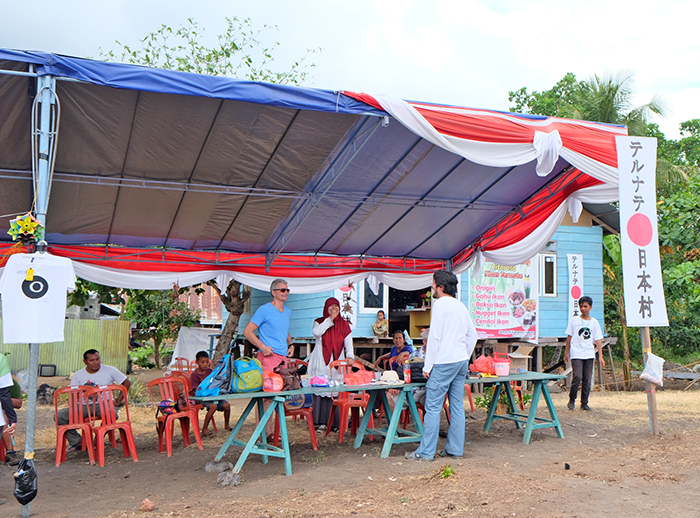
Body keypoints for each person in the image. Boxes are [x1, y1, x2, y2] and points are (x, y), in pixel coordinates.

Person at [405, 270, 477, 462]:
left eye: (434, 284)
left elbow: (434, 337)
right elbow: (473, 335)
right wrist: (465, 355)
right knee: (456, 406)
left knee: (433, 407)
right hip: (461, 360)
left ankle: (426, 452)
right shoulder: (460, 306)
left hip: (445, 361)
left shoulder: (440, 305)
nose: (432, 287)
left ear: (441, 287)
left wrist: (427, 366)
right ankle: (455, 449)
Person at [243, 278, 294, 436]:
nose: (286, 293)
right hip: (268, 358)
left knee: (279, 395)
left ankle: (271, 431)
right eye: (282, 290)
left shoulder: (287, 311)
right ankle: (263, 432)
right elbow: (247, 331)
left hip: (282, 358)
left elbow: (284, 330)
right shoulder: (264, 310)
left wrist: (291, 344)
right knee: (267, 397)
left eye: (287, 290)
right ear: (273, 292)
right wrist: (262, 347)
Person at [57, 349, 132, 452]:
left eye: (97, 359)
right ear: (85, 361)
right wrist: (74, 406)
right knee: (59, 416)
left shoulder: (110, 370)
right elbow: (74, 394)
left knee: (112, 414)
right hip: (83, 406)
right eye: (92, 360)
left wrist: (117, 402)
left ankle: (97, 439)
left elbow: (127, 383)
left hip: (103, 404)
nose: (95, 362)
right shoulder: (78, 375)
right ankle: (78, 441)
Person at [308, 297, 355, 429]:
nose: (334, 309)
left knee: (334, 390)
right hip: (320, 360)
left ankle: (334, 423)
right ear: (326, 308)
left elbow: (348, 344)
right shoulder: (319, 322)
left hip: (336, 362)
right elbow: (317, 333)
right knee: (319, 388)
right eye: (330, 306)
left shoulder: (344, 325)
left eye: (336, 307)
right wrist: (330, 320)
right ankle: (318, 422)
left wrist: (350, 356)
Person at [564, 296, 605, 411]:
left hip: (589, 353)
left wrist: (600, 356)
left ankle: (584, 402)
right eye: (581, 306)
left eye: (585, 306)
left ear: (590, 307)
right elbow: (569, 337)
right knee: (577, 376)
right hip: (576, 352)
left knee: (587, 378)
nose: (583, 309)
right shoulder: (574, 320)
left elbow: (598, 340)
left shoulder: (594, 322)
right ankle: (572, 399)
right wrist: (566, 353)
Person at [189, 351, 232, 436]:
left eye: (207, 362)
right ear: (197, 362)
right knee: (213, 406)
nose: (205, 364)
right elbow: (195, 391)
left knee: (227, 405)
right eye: (202, 362)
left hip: (213, 395)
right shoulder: (194, 375)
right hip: (201, 398)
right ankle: (205, 429)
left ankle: (227, 425)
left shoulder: (210, 372)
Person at [2, 377, 22, 465]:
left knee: (3, 418)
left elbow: (19, 403)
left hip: (3, 412)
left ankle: (10, 452)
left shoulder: (10, 382)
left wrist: (3, 400)